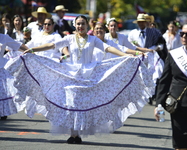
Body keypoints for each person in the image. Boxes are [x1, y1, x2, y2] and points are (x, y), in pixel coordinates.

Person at [5, 15, 155, 144]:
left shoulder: (93, 39)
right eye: (78, 24)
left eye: (83, 23)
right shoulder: (70, 38)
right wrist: (32, 50)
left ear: (86, 25)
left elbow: (108, 49)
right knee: (72, 103)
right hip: (71, 74)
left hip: (90, 75)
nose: (80, 26)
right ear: (74, 25)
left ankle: (79, 133)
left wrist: (126, 56)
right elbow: (52, 45)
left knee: (83, 104)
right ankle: (73, 134)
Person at [154, 22, 187, 150]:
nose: (184, 37)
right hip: (178, 106)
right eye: (182, 34)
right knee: (180, 144)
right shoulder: (174, 55)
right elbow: (165, 80)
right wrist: (159, 104)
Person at [0, 34, 28, 120]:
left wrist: (31, 51)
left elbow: (17, 45)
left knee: (2, 91)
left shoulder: (3, 37)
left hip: (1, 67)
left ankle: (2, 111)